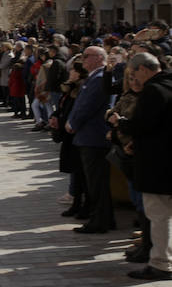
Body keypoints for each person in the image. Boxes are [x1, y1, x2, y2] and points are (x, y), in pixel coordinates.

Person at [109, 52, 172, 280]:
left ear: (143, 69)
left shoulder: (153, 91)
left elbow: (142, 124)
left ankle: (161, 264)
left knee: (159, 217)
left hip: (157, 164)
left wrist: (121, 123)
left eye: (134, 73)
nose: (134, 79)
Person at [66, 46, 115, 234]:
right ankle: (105, 218)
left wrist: (73, 123)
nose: (83, 60)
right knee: (94, 182)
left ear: (98, 58)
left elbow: (89, 105)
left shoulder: (100, 78)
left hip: (93, 136)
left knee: (96, 182)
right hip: (88, 136)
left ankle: (100, 220)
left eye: (86, 56)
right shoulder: (94, 77)